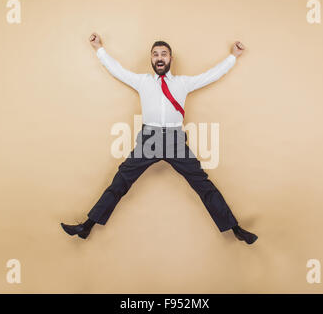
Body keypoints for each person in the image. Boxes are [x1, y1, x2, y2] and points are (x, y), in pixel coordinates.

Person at [60, 32, 258, 245]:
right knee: (120, 182)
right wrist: (99, 48)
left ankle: (235, 228)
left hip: (175, 141)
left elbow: (211, 75)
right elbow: (116, 70)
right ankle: (87, 226)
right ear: (151, 59)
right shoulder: (142, 81)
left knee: (204, 185)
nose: (159, 57)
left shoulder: (183, 83)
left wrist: (233, 57)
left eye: (164, 53)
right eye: (155, 54)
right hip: (149, 140)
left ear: (171, 59)